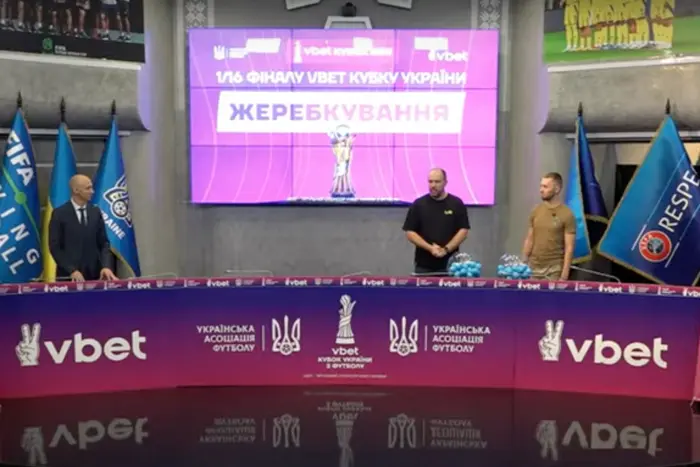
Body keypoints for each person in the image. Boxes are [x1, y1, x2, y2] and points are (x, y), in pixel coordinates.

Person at [48, 174, 118, 282]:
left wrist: (106, 266)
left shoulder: (95, 212)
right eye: (88, 188)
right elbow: (55, 247)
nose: (92, 191)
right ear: (76, 190)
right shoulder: (59, 214)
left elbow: (104, 243)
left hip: (96, 277)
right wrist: (72, 270)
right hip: (69, 278)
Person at [402, 168, 470, 275]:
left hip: (452, 266)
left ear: (445, 182)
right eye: (430, 181)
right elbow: (410, 232)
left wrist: (445, 250)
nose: (433, 185)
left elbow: (463, 230)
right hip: (423, 266)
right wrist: (430, 248)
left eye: (437, 182)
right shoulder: (418, 204)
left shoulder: (456, 203)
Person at [521, 172, 576, 280]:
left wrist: (564, 275)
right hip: (533, 269)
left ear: (557, 189)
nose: (541, 190)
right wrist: (523, 263)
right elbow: (530, 239)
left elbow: (569, 247)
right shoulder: (536, 211)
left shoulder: (567, 214)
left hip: (554, 270)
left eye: (545, 187)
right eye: (541, 186)